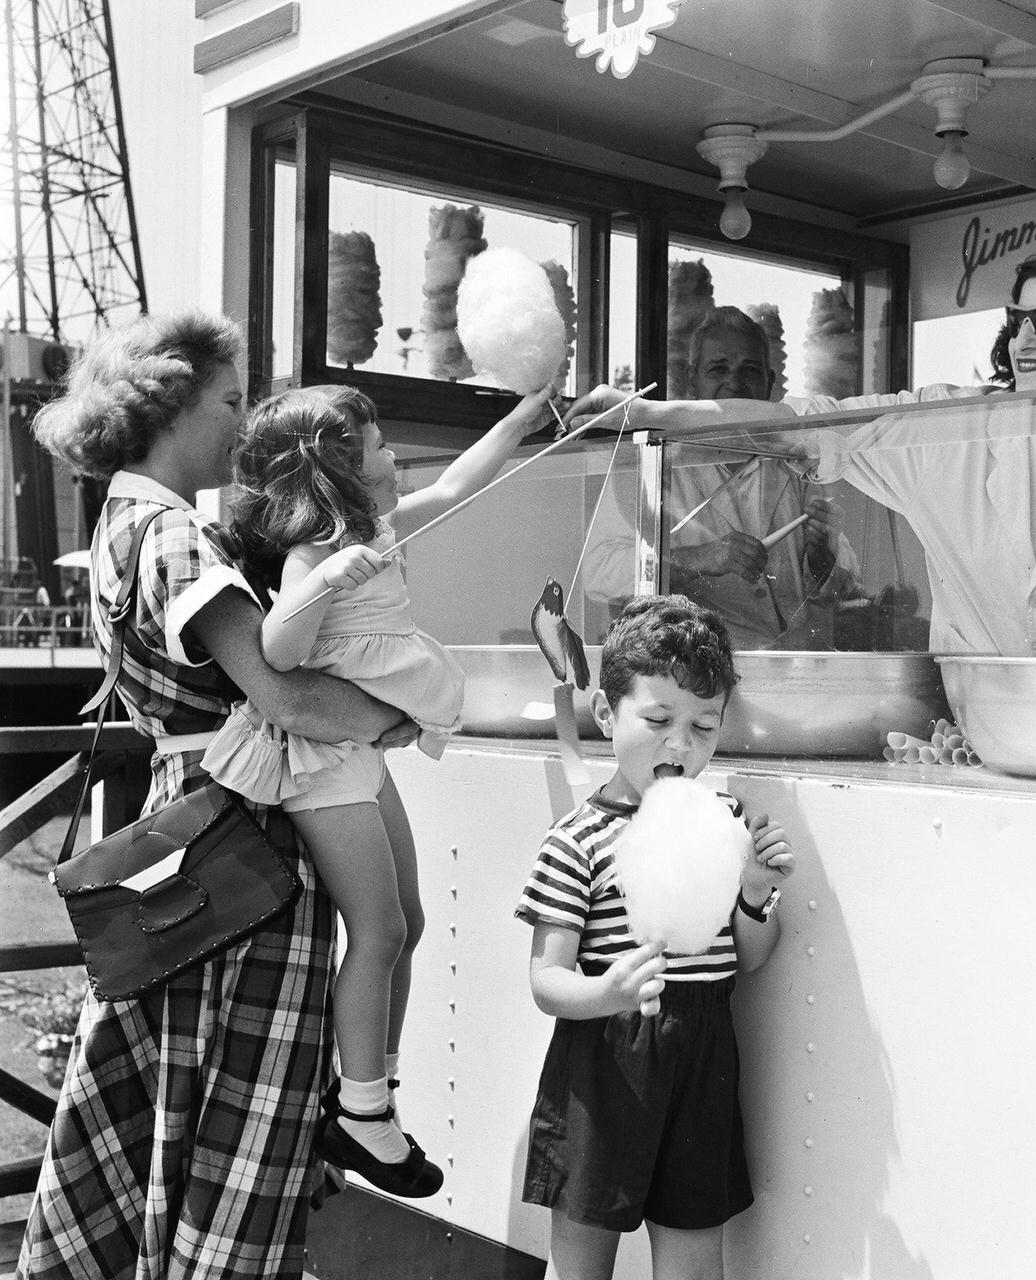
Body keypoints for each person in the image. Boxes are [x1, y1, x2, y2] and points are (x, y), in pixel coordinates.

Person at [23, 311, 416, 1280]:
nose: (245, 426)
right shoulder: (175, 540)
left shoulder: (117, 526)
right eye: (233, 401)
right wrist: (391, 716)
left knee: (173, 1100)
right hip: (242, 819)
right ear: (169, 406)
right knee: (242, 1111)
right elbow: (275, 690)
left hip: (181, 821)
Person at [201, 380, 555, 1196]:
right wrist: (326, 580)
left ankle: (374, 1096)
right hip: (322, 766)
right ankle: (360, 1113)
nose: (395, 455)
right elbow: (280, 653)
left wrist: (524, 418)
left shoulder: (378, 529)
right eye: (378, 444)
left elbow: (462, 484)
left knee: (410, 922)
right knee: (382, 929)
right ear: (338, 467)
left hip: (363, 754)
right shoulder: (316, 552)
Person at [569, 243, 1036, 658]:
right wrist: (655, 412)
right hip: (985, 744)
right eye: (1017, 322)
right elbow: (810, 421)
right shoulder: (949, 430)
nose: (1023, 342)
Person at [515, 594, 794, 1280]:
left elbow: (750, 960)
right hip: (603, 1062)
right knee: (581, 1262)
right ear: (607, 714)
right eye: (659, 720)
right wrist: (605, 991)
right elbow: (546, 982)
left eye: (704, 726)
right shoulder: (575, 841)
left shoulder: (725, 824)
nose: (681, 744)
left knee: (696, 1262)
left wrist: (755, 891)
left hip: (702, 1059)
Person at [584, 307, 860, 650]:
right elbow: (598, 570)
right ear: (692, 380)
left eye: (750, 370)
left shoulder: (798, 460)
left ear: (769, 385)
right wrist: (699, 559)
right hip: (697, 670)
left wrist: (822, 554)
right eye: (718, 369)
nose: (734, 382)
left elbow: (847, 581)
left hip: (790, 666)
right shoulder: (654, 463)